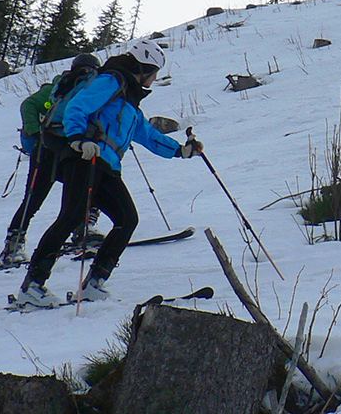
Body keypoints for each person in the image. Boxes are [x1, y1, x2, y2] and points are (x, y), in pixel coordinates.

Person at [13, 38, 202, 308]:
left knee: (127, 219)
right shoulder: (112, 80)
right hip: (84, 158)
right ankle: (32, 286)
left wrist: (181, 151)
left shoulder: (130, 101)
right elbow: (78, 106)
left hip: (108, 166)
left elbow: (148, 135)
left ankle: (95, 282)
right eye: (154, 73)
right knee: (71, 217)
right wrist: (78, 139)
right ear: (144, 68)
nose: (154, 79)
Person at [0, 53, 100, 269]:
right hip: (50, 149)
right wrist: (36, 133)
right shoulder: (62, 87)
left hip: (55, 149)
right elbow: (29, 105)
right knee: (41, 197)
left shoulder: (67, 86)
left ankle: (14, 245)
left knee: (46, 196)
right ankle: (81, 231)